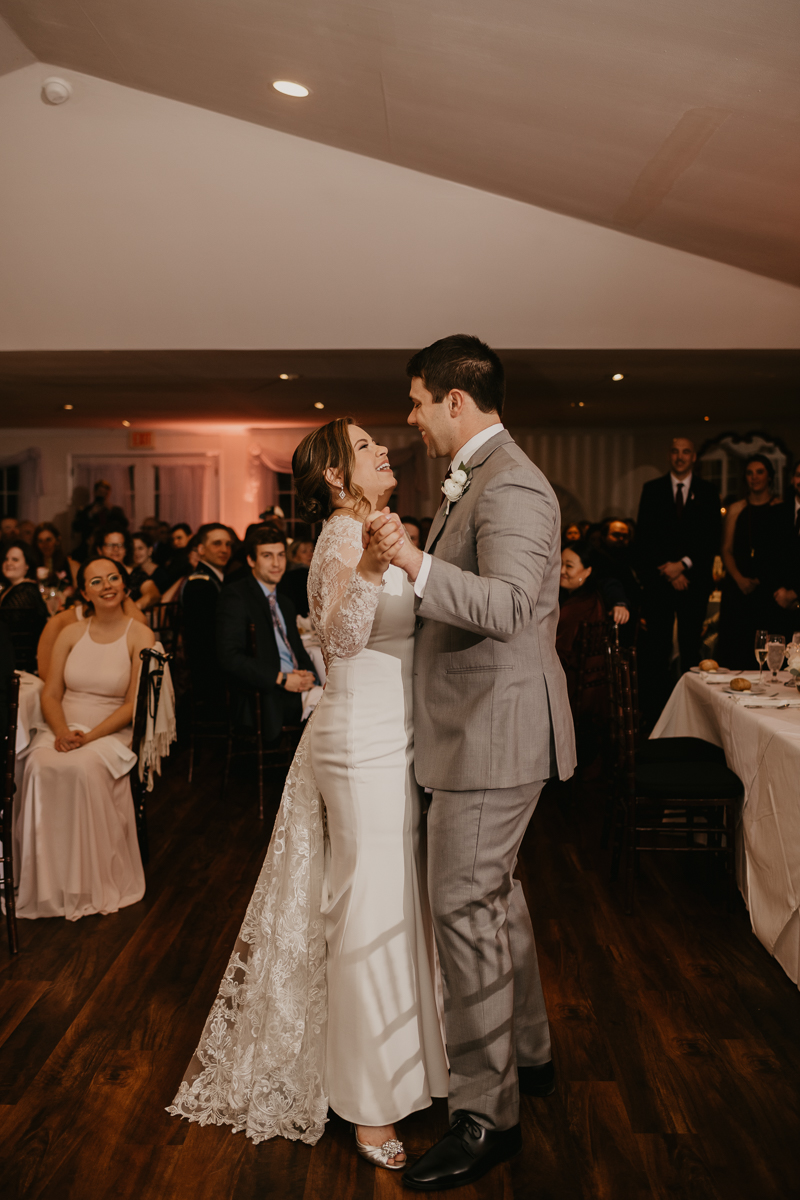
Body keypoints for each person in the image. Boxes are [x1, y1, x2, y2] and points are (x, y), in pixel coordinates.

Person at [169, 418, 448, 1167]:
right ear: (334, 475)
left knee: (395, 900)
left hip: (395, 737)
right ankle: (368, 1105)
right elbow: (342, 639)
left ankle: (409, 1067)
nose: (383, 449)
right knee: (369, 907)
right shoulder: (337, 536)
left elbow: (346, 639)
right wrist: (364, 568)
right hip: (359, 745)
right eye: (364, 446)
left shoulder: (381, 529)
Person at [367, 334, 576, 1191]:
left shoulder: (515, 482)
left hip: (492, 734)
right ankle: (529, 1054)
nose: (410, 418)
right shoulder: (477, 478)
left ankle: (488, 1117)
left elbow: (507, 604)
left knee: (462, 910)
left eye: (418, 401)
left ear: (456, 399)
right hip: (476, 727)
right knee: (495, 899)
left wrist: (413, 561)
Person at [14, 556, 154, 920]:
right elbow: (50, 692)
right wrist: (61, 731)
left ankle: (89, 882)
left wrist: (89, 736)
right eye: (96, 581)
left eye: (113, 578)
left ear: (125, 585)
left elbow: (133, 703)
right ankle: (47, 884)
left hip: (111, 730)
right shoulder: (69, 633)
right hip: (64, 726)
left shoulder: (140, 634)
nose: (107, 586)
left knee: (82, 769)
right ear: (83, 592)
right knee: (35, 764)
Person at [636, 437, 721, 718]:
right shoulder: (652, 489)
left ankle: (692, 714)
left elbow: (711, 538)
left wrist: (683, 565)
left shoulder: (708, 492)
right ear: (669, 456)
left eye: (686, 452)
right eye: (675, 451)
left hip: (693, 583)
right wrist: (668, 569)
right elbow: (644, 538)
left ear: (694, 457)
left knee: (690, 649)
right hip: (660, 583)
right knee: (656, 651)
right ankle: (657, 714)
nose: (680, 456)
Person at [216, 525, 317, 743]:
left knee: (339, 699)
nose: (276, 563)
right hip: (264, 695)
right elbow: (229, 657)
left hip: (292, 688)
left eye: (281, 555)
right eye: (267, 556)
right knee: (336, 708)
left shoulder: (285, 602)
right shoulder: (236, 597)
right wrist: (281, 679)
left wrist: (310, 676)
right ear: (251, 560)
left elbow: (298, 650)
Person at [717, 454, 787, 668]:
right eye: (749, 473)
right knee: (736, 650)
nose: (754, 477)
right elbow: (726, 549)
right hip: (738, 589)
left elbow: (785, 552)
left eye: (759, 472)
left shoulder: (781, 509)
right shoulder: (736, 509)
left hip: (769, 591)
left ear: (769, 477)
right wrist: (739, 579)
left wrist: (766, 581)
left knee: (768, 652)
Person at [182, 523, 233, 714]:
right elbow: (204, 637)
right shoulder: (200, 585)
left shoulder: (215, 578)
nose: (224, 549)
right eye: (217, 544)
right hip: (208, 669)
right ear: (201, 550)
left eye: (228, 544)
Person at [71, 480, 128, 562]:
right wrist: (90, 514)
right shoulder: (86, 510)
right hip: (88, 548)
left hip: (109, 546)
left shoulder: (115, 510)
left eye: (105, 493)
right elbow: (76, 527)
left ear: (108, 494)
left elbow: (124, 525)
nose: (102, 495)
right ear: (94, 492)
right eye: (100, 492)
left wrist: (111, 511)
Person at [128, 531, 161, 611]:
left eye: (140, 548)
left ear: (150, 550)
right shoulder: (132, 573)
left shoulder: (160, 575)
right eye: (133, 549)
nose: (136, 553)